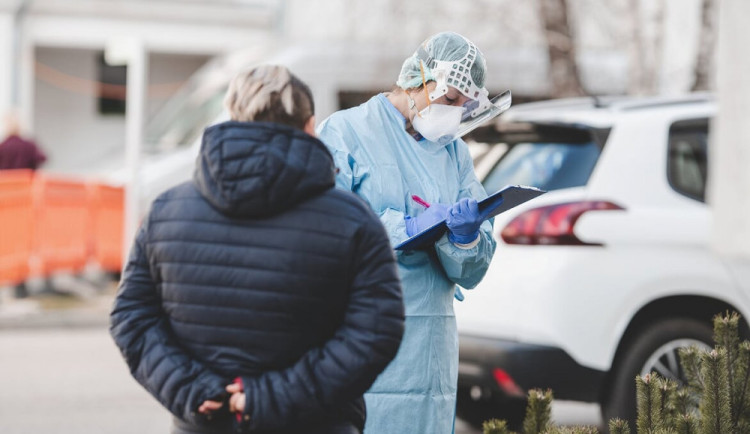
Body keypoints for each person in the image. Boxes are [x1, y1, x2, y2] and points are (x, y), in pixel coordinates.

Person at [110, 65, 405, 434]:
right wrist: (270, 396)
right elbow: (378, 330)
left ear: (233, 117)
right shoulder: (353, 220)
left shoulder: (166, 211)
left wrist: (189, 387)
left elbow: (131, 317)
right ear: (311, 126)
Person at [317, 32, 498, 433]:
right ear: (419, 76)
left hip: (430, 348)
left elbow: (472, 268)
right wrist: (406, 227)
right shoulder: (346, 133)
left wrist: (466, 238)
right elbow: (324, 229)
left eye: (464, 106)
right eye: (450, 99)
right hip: (363, 334)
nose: (453, 113)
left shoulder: (453, 151)